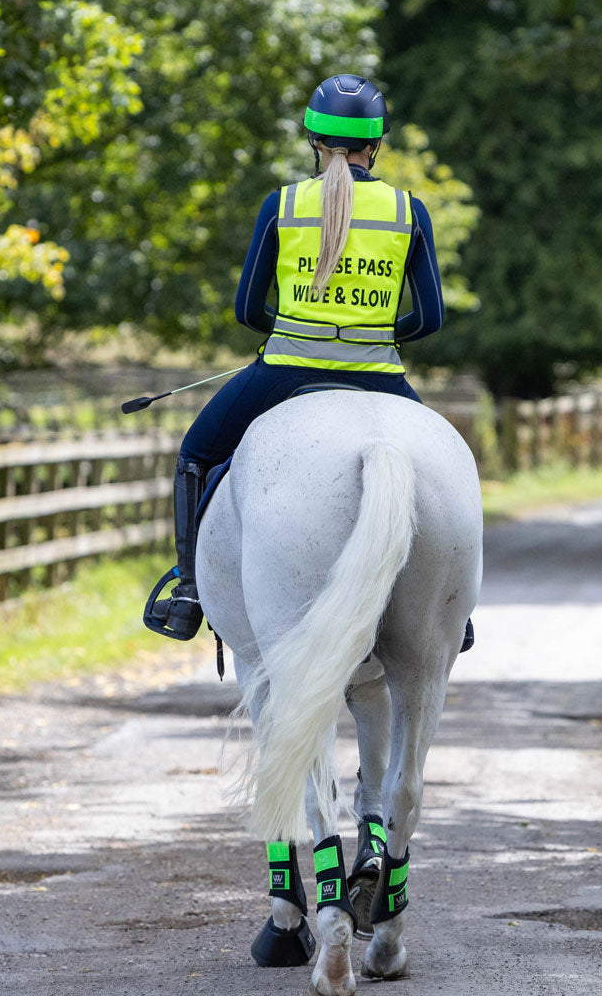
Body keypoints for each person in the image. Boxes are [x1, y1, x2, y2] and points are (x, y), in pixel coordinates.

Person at [144, 73, 472, 652]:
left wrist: (301, 329)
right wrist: (372, 334)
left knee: (196, 453)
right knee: (448, 469)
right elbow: (431, 320)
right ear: (376, 144)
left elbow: (248, 309)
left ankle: (190, 592)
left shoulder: (285, 204)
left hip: (285, 370)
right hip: (380, 378)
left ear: (314, 141)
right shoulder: (408, 211)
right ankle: (455, 608)